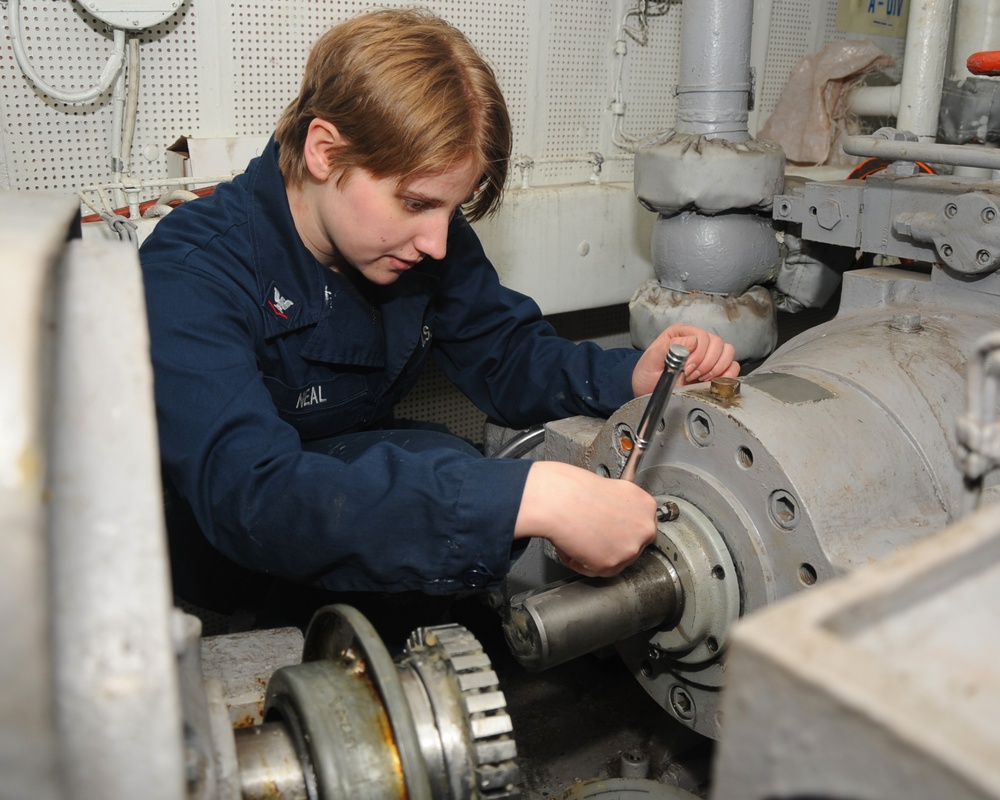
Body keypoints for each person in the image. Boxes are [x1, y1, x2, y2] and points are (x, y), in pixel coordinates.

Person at [139, 8, 738, 629]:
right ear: (324, 151)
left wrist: (629, 377)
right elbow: (254, 500)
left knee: (440, 454)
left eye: (450, 209)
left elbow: (506, 354)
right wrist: (530, 498)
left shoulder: (417, 241)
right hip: (230, 580)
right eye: (417, 202)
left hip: (364, 526)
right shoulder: (189, 272)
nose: (437, 243)